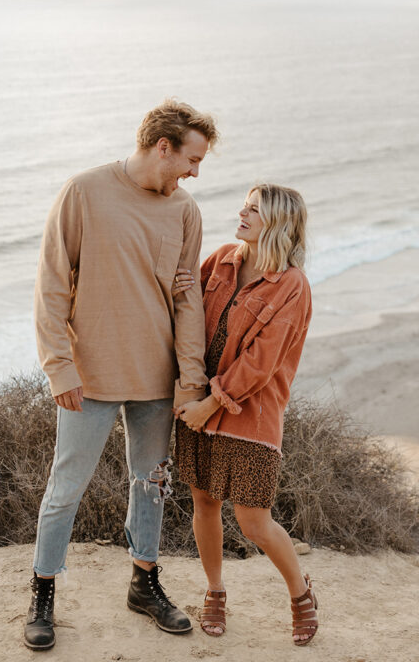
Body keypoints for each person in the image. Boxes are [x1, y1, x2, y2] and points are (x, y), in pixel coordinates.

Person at [24, 99, 219, 651]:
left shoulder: (184, 211)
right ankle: (42, 593)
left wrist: (190, 381)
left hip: (157, 381)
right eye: (192, 159)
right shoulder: (83, 192)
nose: (195, 173)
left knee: (151, 486)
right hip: (89, 378)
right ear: (164, 146)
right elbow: (51, 286)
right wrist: (58, 367)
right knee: (66, 488)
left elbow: (187, 304)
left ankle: (144, 583)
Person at [171, 183, 317, 646]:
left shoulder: (292, 286)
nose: (242, 212)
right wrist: (176, 286)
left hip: (248, 413)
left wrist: (210, 405)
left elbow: (261, 363)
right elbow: (188, 311)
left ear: (276, 223)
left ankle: (300, 594)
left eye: (253, 209)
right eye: (245, 205)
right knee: (204, 503)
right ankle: (215, 590)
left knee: (254, 520)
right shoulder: (222, 259)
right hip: (197, 404)